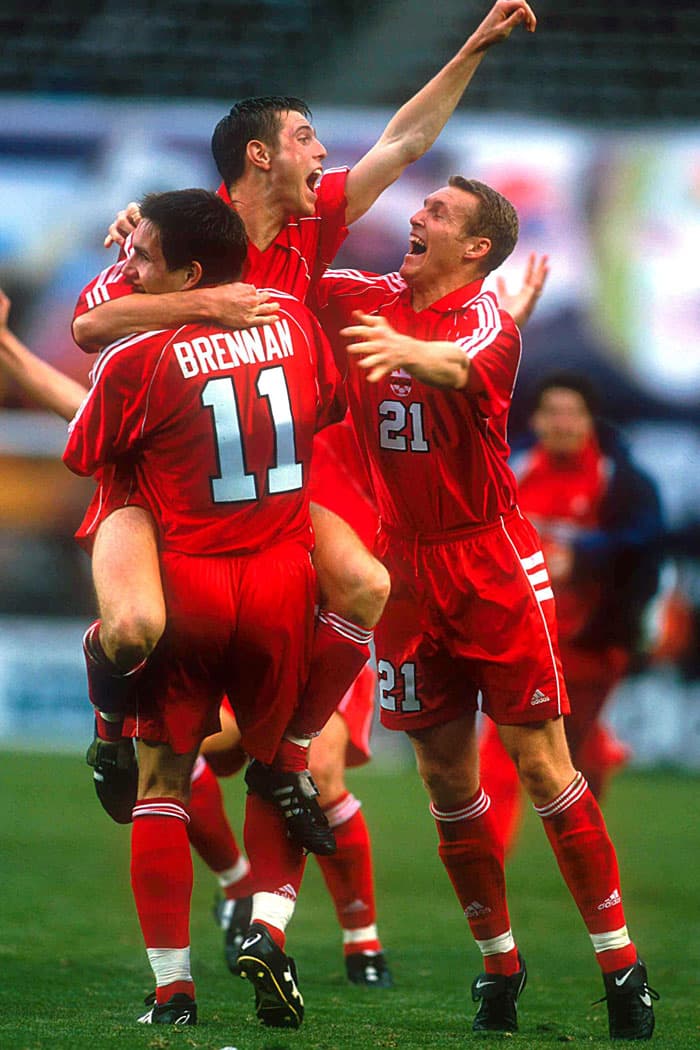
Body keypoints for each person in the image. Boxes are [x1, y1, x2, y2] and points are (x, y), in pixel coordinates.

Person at [68, 2, 538, 863]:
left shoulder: (311, 224)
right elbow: (91, 325)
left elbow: (402, 143)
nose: (325, 154)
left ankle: (285, 760)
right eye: (309, 138)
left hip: (267, 486)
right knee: (141, 650)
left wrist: (470, 47)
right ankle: (114, 730)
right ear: (262, 154)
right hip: (167, 489)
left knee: (364, 584)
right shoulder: (178, 231)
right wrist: (203, 300)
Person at [312, 176, 658, 1040]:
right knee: (445, 783)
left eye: (437, 213)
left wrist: (400, 350)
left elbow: (459, 364)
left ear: (475, 249)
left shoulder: (489, 323)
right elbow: (276, 266)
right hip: (405, 570)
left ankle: (623, 969)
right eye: (422, 206)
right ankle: (499, 967)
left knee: (542, 767)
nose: (416, 215)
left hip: (491, 562)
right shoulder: (361, 294)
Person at [63, 188, 345, 1028]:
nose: (128, 271)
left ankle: (173, 990)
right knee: (277, 773)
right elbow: (323, 405)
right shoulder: (295, 321)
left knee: (162, 781)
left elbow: (85, 454)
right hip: (282, 583)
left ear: (188, 274)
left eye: (142, 258)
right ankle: (268, 928)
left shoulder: (138, 354)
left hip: (188, 579)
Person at [479, 371, 665, 849]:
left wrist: (584, 553)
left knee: (570, 752)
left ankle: (595, 779)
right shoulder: (511, 469)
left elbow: (646, 542)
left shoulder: (619, 479)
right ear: (536, 420)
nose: (562, 423)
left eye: (572, 413)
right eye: (553, 413)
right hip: (524, 638)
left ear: (588, 421)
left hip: (592, 643)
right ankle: (487, 857)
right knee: (507, 747)